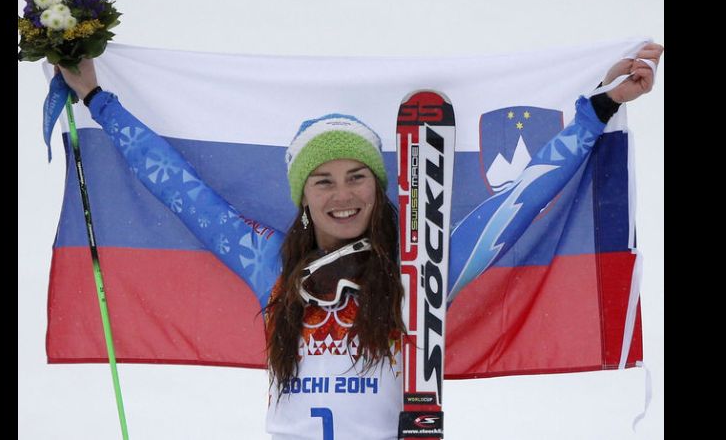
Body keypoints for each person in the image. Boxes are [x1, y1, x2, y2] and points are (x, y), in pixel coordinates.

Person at [57, 42, 663, 440]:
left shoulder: (421, 268)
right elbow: (180, 189)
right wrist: (96, 99)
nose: (341, 194)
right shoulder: (269, 264)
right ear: (303, 195)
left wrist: (600, 107)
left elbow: (520, 200)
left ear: (379, 187)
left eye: (356, 177)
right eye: (322, 181)